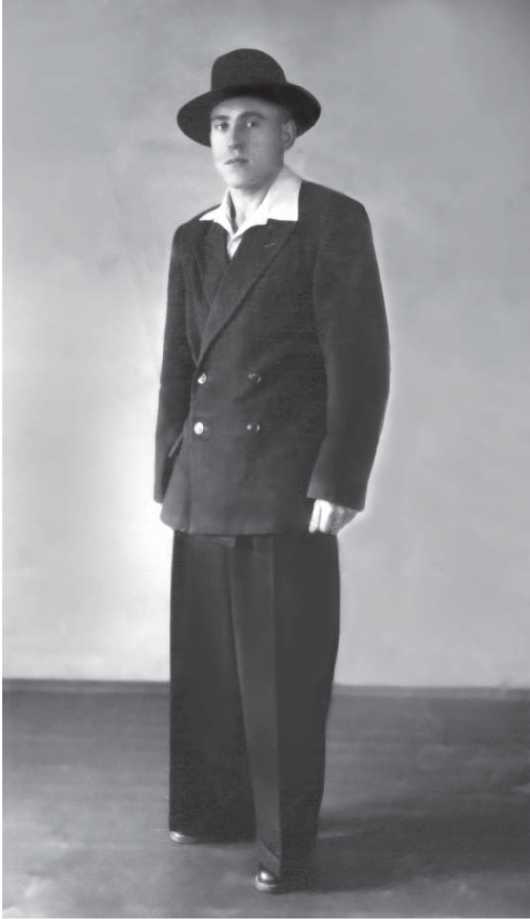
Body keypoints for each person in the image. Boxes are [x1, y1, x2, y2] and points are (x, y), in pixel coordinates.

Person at [154, 48, 390, 893]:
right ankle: (211, 810)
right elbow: (178, 366)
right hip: (204, 481)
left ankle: (286, 845)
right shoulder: (194, 236)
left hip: (285, 484)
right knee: (208, 669)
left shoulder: (329, 220)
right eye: (221, 124)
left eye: (252, 121)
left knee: (281, 676)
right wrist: (167, 472)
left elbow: (359, 357)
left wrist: (341, 476)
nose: (233, 138)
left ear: (287, 133)